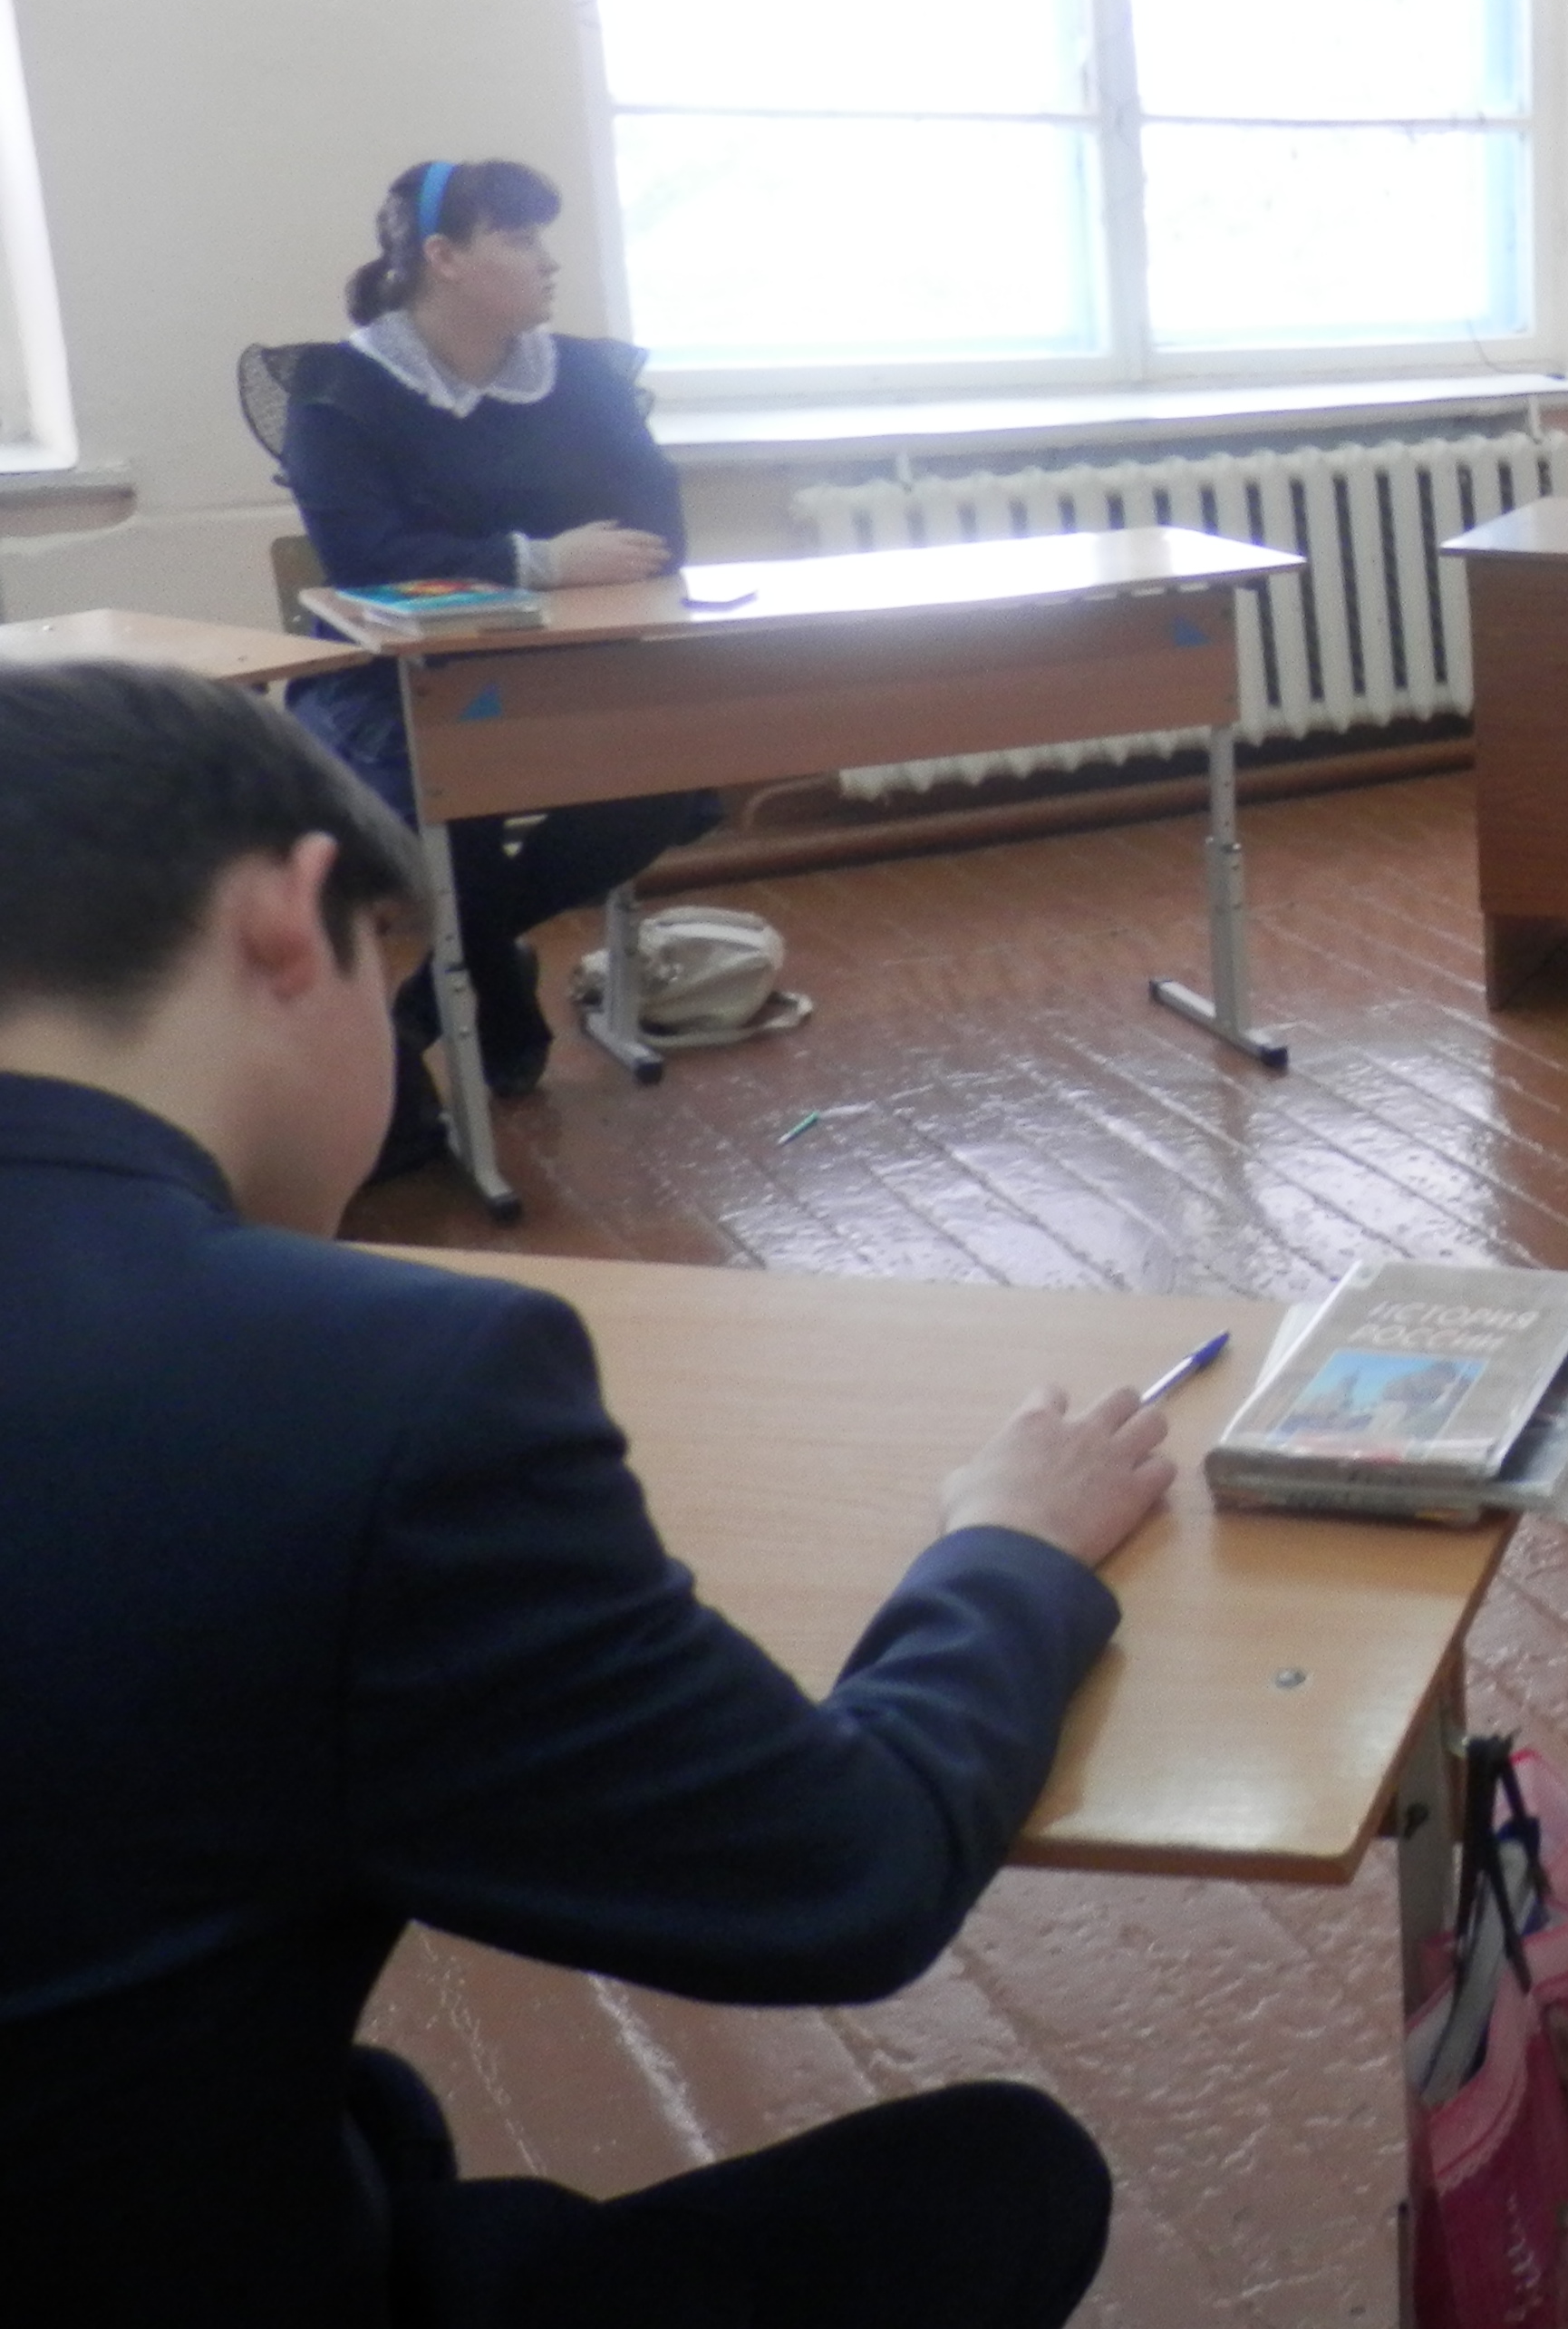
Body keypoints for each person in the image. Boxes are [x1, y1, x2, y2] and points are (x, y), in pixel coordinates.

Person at [0, 660, 1173, 2328]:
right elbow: (841, 1878)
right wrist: (1011, 1545)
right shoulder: (379, 1382)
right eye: (394, 974)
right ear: (286, 919)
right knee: (999, 2177)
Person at [283, 159, 708, 1126]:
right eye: (519, 239)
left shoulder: (583, 375)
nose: (548, 261)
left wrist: (521, 569)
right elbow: (365, 558)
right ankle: (496, 996)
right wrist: (542, 560)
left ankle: (445, 982)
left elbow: (657, 531)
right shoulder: (340, 389)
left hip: (570, 668)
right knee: (458, 793)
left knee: (660, 783)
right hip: (396, 678)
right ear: (444, 258)